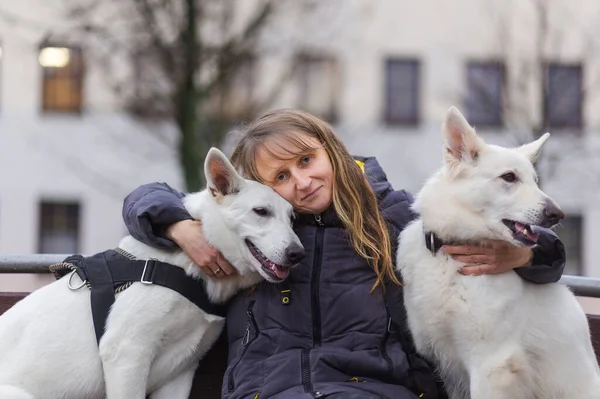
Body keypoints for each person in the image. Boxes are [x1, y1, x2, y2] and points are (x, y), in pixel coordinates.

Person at [122, 109, 565, 399]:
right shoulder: (257, 232)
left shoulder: (393, 216)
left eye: (305, 160)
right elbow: (145, 196)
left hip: (371, 388)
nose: (301, 180)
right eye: (280, 175)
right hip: (269, 388)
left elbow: (514, 231)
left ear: (330, 151)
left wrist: (526, 257)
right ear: (260, 189)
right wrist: (177, 225)